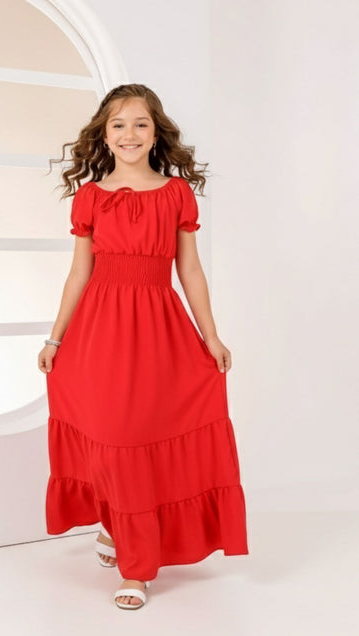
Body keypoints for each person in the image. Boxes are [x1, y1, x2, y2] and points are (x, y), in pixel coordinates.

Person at [38, 83, 248, 610]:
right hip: (98, 333)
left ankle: (136, 566)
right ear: (103, 135)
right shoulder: (90, 197)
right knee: (110, 436)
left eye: (140, 124)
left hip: (158, 330)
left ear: (156, 134)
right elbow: (79, 273)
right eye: (118, 125)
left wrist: (211, 335)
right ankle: (120, 533)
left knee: (140, 436)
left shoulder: (176, 193)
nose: (129, 134)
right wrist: (55, 337)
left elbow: (190, 269)